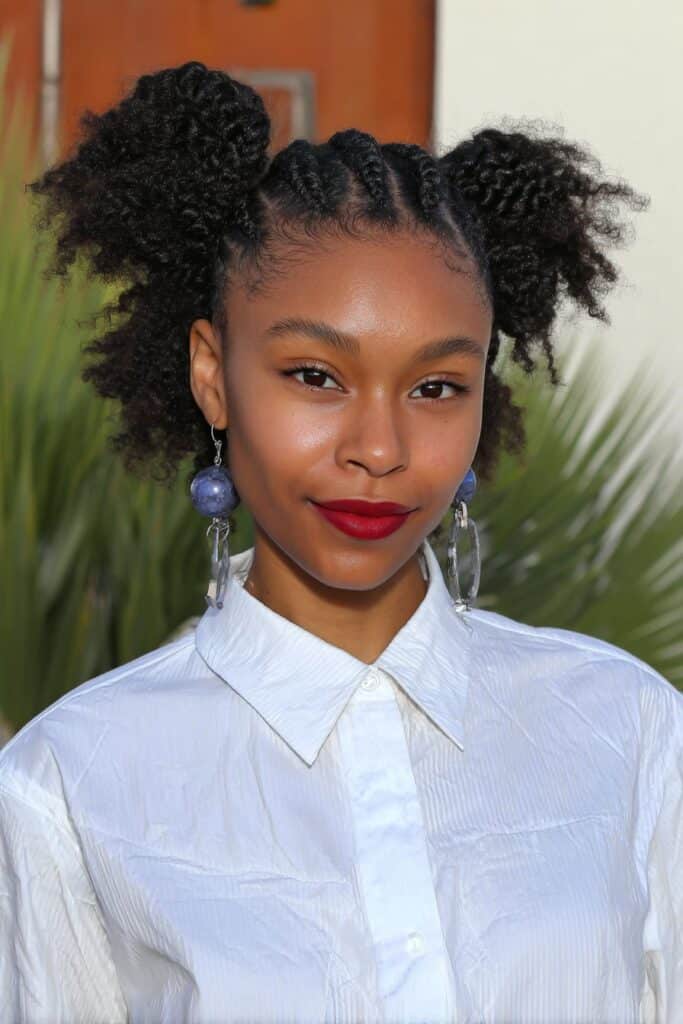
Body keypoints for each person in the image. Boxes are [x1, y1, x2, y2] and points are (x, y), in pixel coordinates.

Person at [0, 59, 680, 1024]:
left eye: (436, 387)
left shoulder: (632, 733)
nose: (378, 449)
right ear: (212, 374)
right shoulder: (70, 782)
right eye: (315, 375)